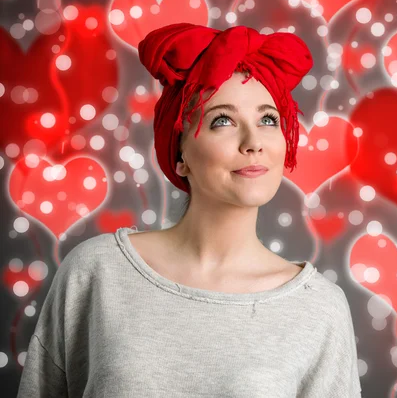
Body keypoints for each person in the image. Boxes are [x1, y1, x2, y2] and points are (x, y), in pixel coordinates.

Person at [17, 23, 362, 397]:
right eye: (223, 121)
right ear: (180, 156)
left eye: (268, 119)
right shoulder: (97, 272)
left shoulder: (318, 308)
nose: (254, 143)